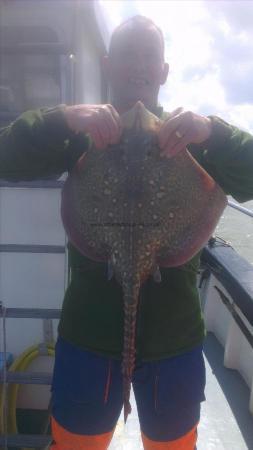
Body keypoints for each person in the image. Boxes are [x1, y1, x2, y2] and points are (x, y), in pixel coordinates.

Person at [0, 15, 253, 450]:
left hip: (173, 345)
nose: (139, 64)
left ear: (164, 71)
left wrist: (213, 132)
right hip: (88, 339)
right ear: (107, 64)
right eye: (127, 54)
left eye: (149, 55)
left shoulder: (187, 136)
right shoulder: (85, 133)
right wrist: (64, 119)